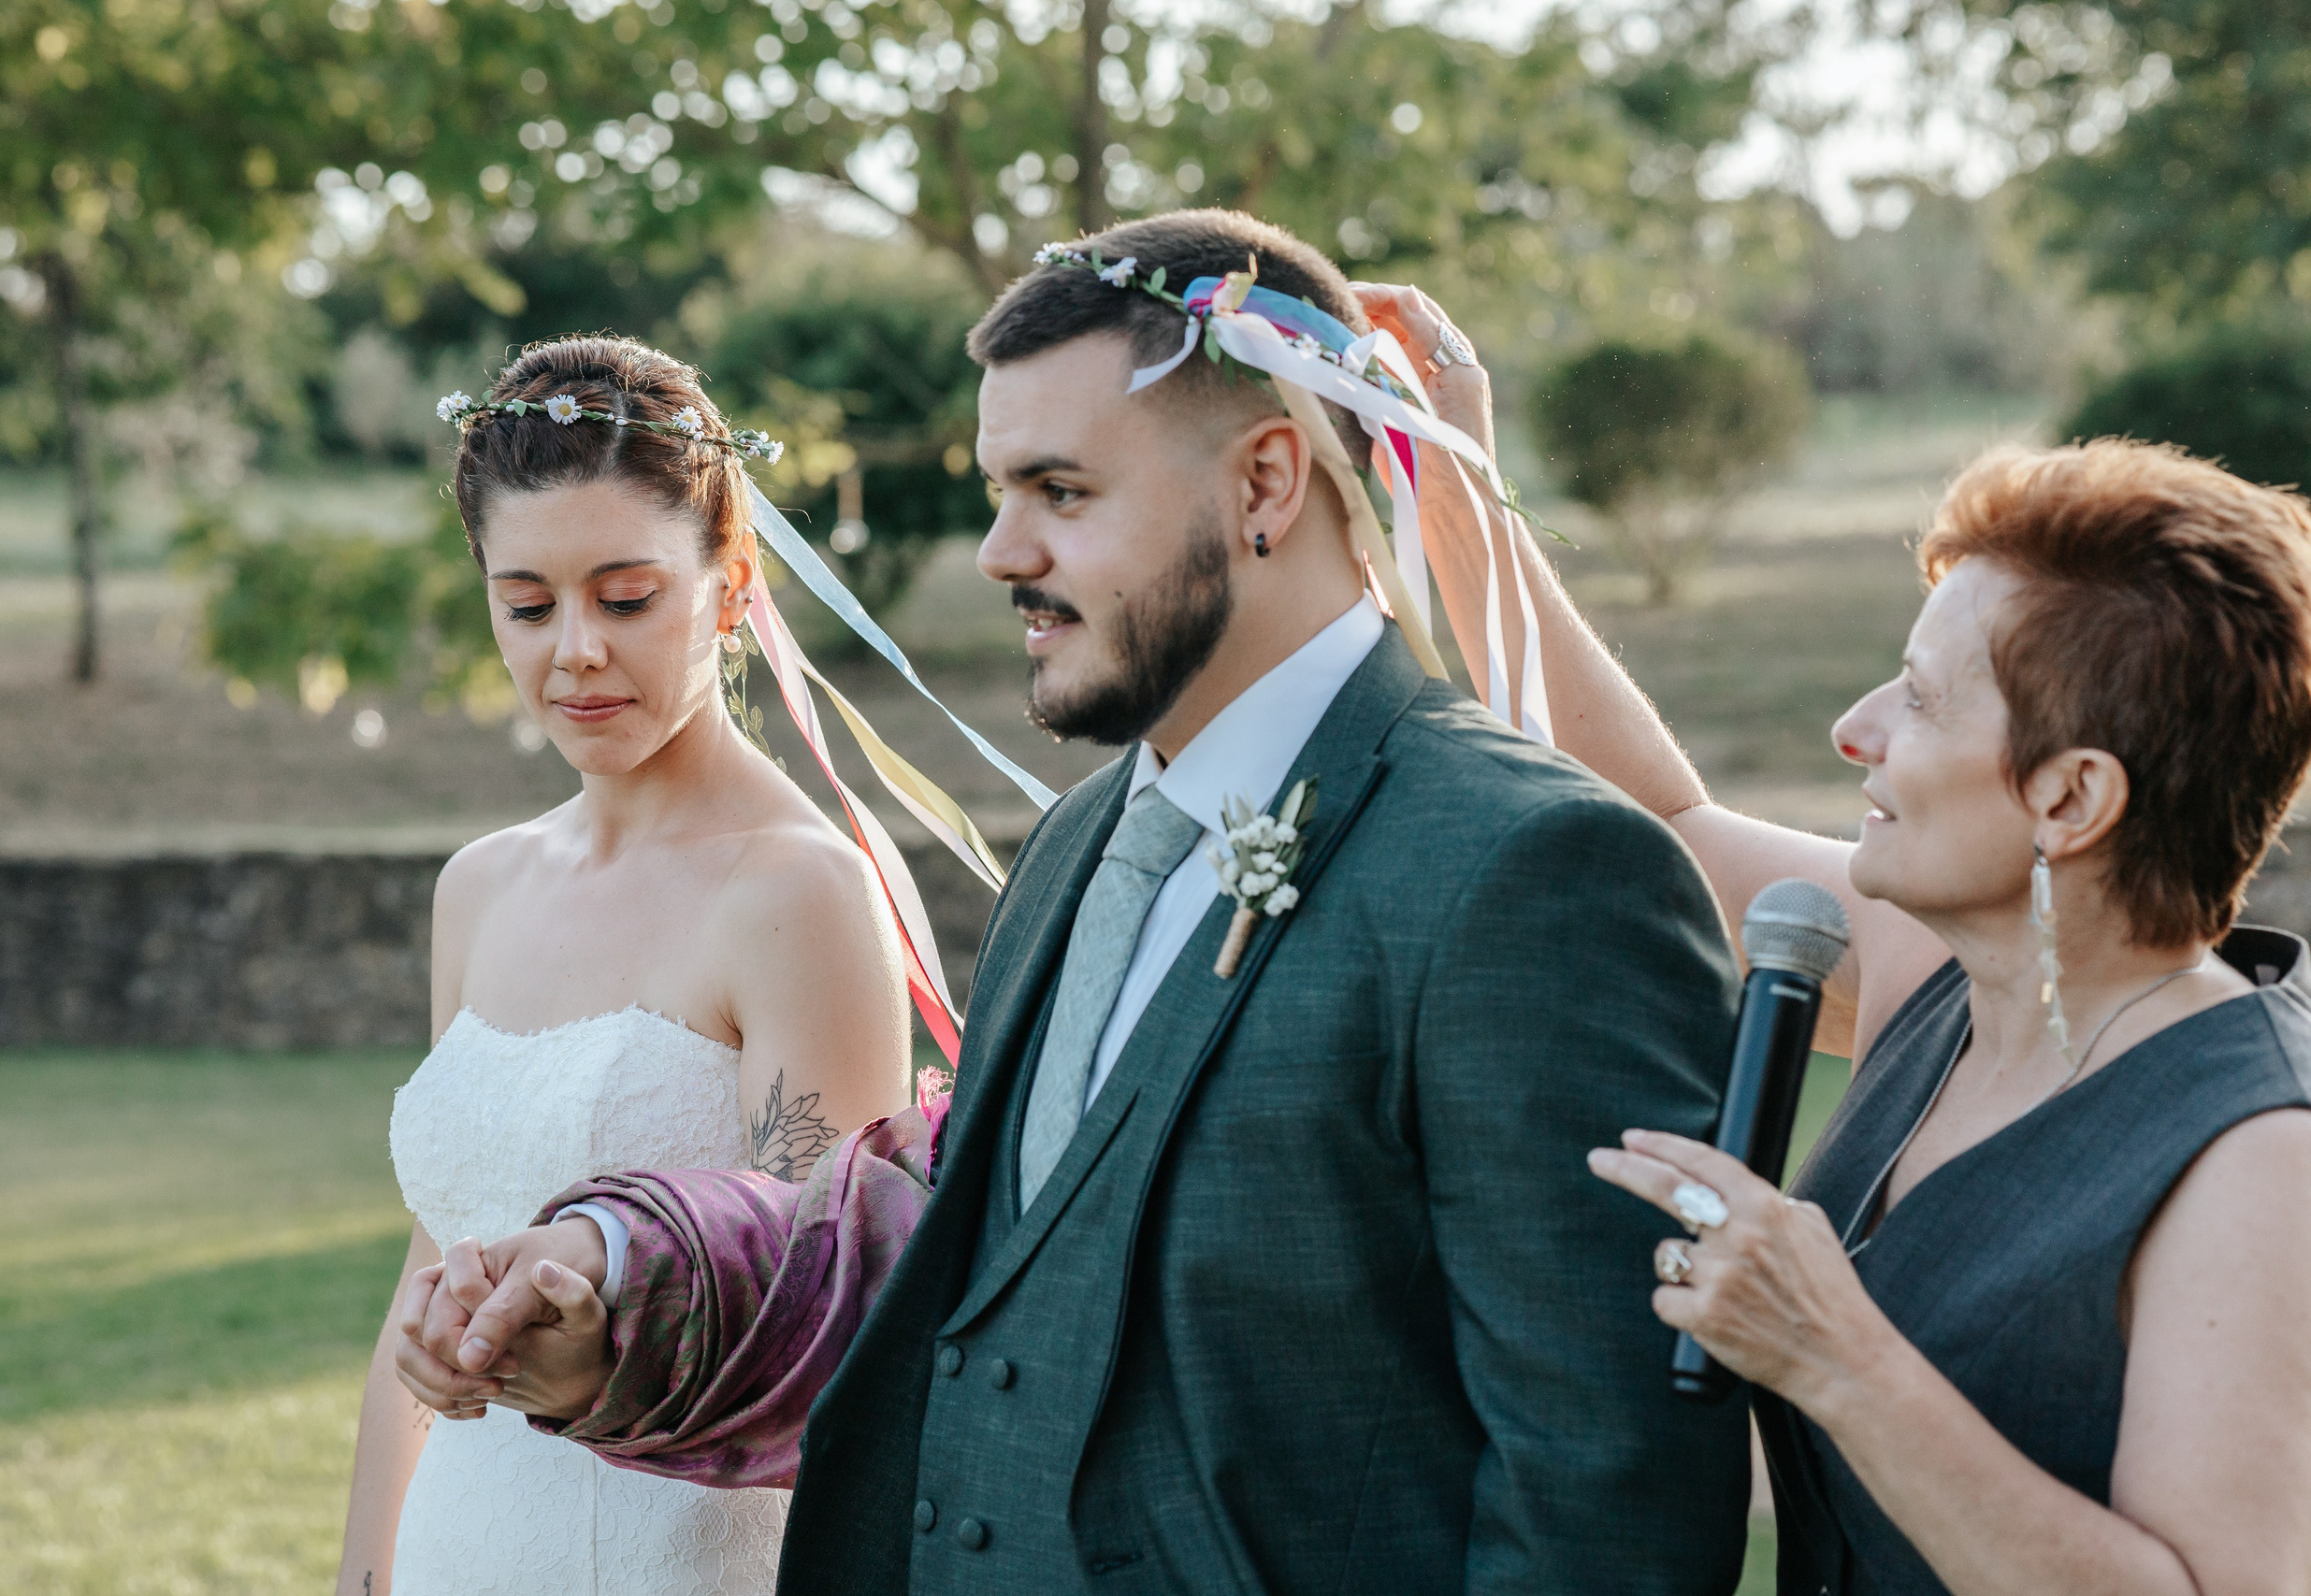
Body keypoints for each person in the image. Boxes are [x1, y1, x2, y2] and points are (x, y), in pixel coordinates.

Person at [393, 208, 1753, 1593]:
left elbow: (1602, 1499)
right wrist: (608, 1274)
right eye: (999, 492)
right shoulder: (1077, 851)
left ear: (1266, 484)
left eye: (1061, 492)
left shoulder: (1529, 873)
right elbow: (912, 1245)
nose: (998, 553)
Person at [1358, 281, 2311, 1596]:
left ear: (2072, 798)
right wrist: (1453, 478)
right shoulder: (1952, 975)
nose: (1853, 729)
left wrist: (1832, 1355)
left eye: (1919, 699)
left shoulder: (2259, 1160)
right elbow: (1659, 820)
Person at [334, 336, 910, 1596]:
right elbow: (428, 1266)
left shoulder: (797, 893)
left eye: (627, 596)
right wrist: (367, 1565)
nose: (575, 650)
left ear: (731, 578)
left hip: (679, 1555)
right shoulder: (477, 886)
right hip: (461, 1543)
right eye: (528, 604)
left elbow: (832, 1314)